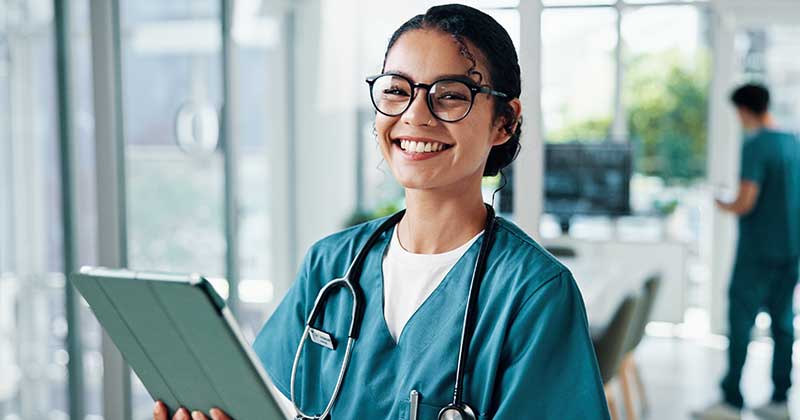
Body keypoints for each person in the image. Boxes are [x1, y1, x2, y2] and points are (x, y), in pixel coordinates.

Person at [154, 4, 609, 419]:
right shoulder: (330, 265)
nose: (415, 115)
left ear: (504, 121)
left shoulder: (533, 294)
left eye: (450, 95)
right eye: (397, 90)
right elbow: (267, 404)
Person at [694, 84, 800, 420]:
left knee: (741, 322)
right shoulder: (792, 142)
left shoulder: (756, 146)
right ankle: (780, 400)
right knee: (783, 324)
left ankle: (731, 401)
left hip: (757, 254)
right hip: (790, 249)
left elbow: (745, 201)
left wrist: (721, 201)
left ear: (743, 110)